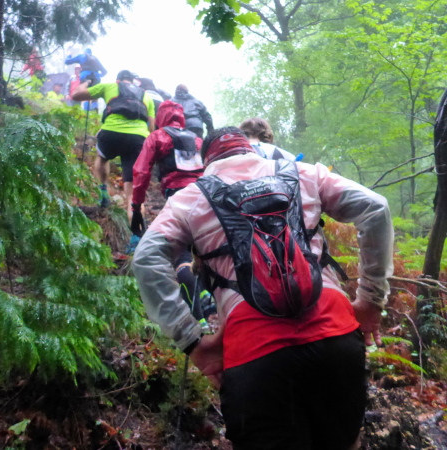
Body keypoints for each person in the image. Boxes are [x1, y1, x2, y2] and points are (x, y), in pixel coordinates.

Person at [132, 127, 394, 450]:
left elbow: (146, 258)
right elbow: (376, 208)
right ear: (250, 150)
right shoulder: (304, 173)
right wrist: (371, 299)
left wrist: (191, 340)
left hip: (254, 353)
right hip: (336, 338)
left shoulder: (190, 198)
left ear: (206, 162)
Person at [131, 100, 212, 320]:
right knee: (201, 248)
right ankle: (208, 297)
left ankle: (199, 319)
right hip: (203, 196)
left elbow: (141, 171)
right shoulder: (196, 139)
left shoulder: (158, 136)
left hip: (177, 196)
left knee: (181, 254)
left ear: (160, 117)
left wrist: (136, 206)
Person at [72, 70, 155, 218]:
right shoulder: (146, 96)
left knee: (103, 157)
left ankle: (103, 192)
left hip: (111, 132)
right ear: (133, 82)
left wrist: (87, 82)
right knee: (133, 196)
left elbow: (76, 95)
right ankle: (137, 230)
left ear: (118, 80)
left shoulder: (109, 86)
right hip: (138, 138)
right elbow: (152, 128)